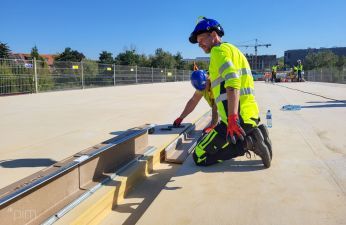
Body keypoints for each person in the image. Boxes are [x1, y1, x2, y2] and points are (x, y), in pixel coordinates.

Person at [187, 16, 272, 167]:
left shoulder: (217, 52)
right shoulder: (234, 50)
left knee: (199, 156)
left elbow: (233, 82)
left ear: (213, 35)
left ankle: (248, 143)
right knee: (215, 143)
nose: (199, 44)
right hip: (250, 115)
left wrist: (232, 119)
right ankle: (256, 133)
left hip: (234, 122)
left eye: (201, 40)